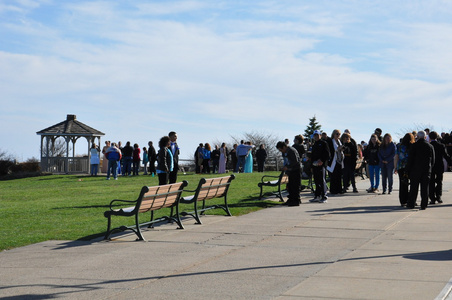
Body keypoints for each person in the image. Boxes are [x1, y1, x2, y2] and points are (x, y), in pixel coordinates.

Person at [406, 131, 435, 210]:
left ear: (417, 137)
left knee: (414, 188)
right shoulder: (430, 146)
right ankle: (424, 204)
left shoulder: (414, 146)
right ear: (425, 137)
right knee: (425, 188)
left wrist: (408, 169)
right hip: (426, 170)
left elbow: (410, 159)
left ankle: (411, 203)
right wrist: (430, 168)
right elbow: (433, 160)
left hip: (415, 170)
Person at [429, 131, 452, 204]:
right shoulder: (441, 145)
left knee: (431, 182)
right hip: (439, 165)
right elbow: (446, 155)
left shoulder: (429, 145)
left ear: (429, 137)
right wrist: (450, 163)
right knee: (439, 182)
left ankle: (432, 198)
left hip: (431, 166)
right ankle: (438, 196)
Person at [276, 141, 302, 206]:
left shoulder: (291, 151)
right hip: (291, 171)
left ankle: (296, 200)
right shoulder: (286, 152)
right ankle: (291, 199)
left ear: (284, 147)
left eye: (281, 149)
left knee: (295, 186)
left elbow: (295, 161)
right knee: (290, 186)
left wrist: (287, 167)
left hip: (296, 170)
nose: (281, 151)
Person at [394, 133, 415, 207]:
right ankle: (411, 199)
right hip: (411, 167)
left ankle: (403, 201)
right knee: (412, 184)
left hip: (401, 167)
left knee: (402, 184)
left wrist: (395, 167)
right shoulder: (413, 145)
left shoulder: (399, 146)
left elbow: (396, 157)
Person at [309, 130, 330, 203]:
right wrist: (312, 165)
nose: (316, 137)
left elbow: (327, 154)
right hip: (315, 165)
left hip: (321, 165)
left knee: (322, 180)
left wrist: (322, 160)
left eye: (317, 135)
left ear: (320, 135)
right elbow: (312, 156)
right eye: (315, 135)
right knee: (316, 180)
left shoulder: (324, 143)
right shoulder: (314, 145)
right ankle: (317, 195)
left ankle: (324, 196)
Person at [326, 129, 344, 194]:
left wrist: (341, 149)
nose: (338, 135)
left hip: (339, 160)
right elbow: (330, 150)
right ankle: (333, 190)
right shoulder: (331, 141)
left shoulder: (339, 141)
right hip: (333, 161)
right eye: (337, 134)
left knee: (339, 176)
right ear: (333, 134)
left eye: (339, 134)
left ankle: (339, 189)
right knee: (333, 176)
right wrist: (337, 149)